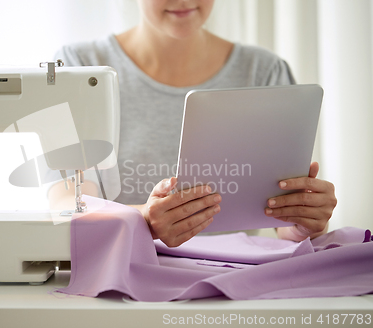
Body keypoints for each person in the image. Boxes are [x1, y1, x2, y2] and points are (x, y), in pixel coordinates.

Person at [54, 0, 337, 247]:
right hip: (118, 281)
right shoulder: (78, 66)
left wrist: (304, 223)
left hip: (230, 286)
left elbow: (280, 218)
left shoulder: (264, 71)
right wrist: (142, 218)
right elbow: (64, 202)